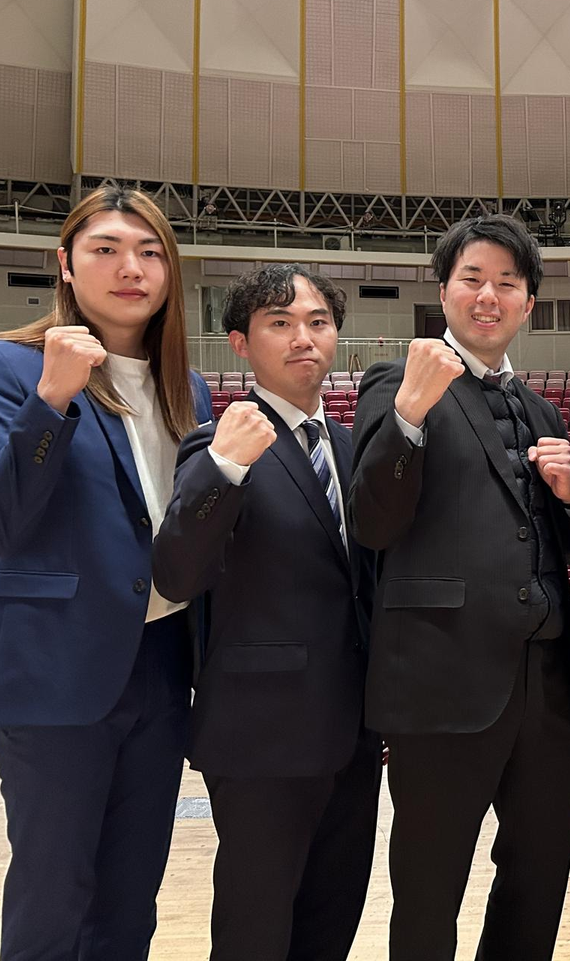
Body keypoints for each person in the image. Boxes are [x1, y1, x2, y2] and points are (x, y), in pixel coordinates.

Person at [0, 182, 212, 960]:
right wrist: (52, 400)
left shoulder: (188, 389)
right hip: (55, 668)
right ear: (65, 264)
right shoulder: (1, 365)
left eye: (150, 252)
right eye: (106, 249)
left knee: (130, 900)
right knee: (53, 896)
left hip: (162, 665)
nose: (131, 268)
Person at [347, 215, 570, 961]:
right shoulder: (395, 382)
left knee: (539, 876)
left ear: (529, 303)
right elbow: (373, 522)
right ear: (444, 291)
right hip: (440, 681)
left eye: (507, 284)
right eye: (473, 279)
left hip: (545, 689)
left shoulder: (542, 407)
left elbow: (564, 546)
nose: (490, 296)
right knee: (430, 887)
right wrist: (410, 415)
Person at [152, 265, 381, 961]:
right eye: (279, 324)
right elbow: (176, 572)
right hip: (261, 735)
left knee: (332, 922)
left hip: (353, 733)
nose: (303, 338)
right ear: (240, 343)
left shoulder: (351, 447)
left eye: (317, 322)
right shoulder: (215, 442)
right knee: (255, 929)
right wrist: (224, 467)